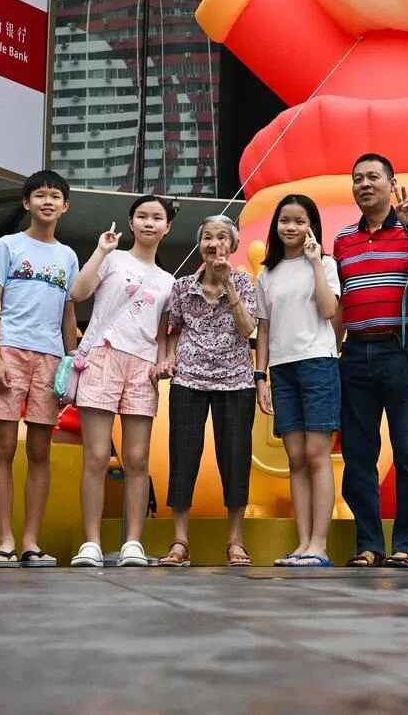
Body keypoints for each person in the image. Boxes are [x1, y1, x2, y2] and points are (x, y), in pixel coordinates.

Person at [334, 153, 408, 569]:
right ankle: (368, 544)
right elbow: (342, 301)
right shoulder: (343, 238)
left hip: (404, 350)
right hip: (356, 354)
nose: (364, 184)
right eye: (357, 178)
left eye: (372, 177)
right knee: (358, 455)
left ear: (391, 182)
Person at [68, 196, 175, 569]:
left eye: (157, 218)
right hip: (101, 357)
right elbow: (78, 293)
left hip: (143, 366)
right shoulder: (112, 258)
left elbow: (163, 332)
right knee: (97, 456)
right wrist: (100, 251)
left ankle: (133, 542)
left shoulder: (168, 281)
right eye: (142, 216)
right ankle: (91, 543)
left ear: (167, 227)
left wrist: (164, 360)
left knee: (137, 459)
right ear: (131, 223)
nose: (149, 223)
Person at [0, 170, 79, 569]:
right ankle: (4, 540)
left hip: (51, 359)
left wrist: (71, 365)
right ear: (26, 203)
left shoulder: (68, 256)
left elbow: (69, 313)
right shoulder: (7, 245)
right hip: (11, 352)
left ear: (65, 206)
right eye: (39, 195)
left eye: (55, 196)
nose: (47, 201)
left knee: (41, 452)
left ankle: (31, 542)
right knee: (3, 449)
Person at [156, 215, 257, 568]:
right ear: (200, 245)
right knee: (183, 456)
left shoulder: (245, 283)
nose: (215, 245)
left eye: (222, 238)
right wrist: (168, 358)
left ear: (233, 245)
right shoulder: (182, 286)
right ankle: (180, 541)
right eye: (208, 238)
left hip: (236, 380)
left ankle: (235, 541)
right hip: (190, 379)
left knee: (235, 458)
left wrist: (228, 286)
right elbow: (171, 328)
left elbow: (247, 330)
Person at [254, 195, 341, 567]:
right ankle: (302, 543)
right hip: (282, 370)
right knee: (295, 458)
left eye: (299, 221)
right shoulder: (266, 273)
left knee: (318, 456)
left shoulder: (326, 263)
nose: (290, 227)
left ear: (312, 227)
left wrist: (315, 264)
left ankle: (319, 546)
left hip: (318, 363)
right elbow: (263, 329)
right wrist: (261, 376)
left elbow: (328, 309)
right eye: (284, 220)